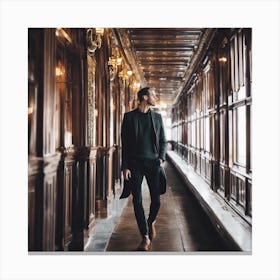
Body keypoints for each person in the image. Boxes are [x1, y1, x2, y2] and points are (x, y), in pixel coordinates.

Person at [120, 87, 167, 251]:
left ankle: (150, 221)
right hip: (135, 165)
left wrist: (161, 158)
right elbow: (124, 144)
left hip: (153, 163)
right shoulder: (129, 117)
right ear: (145, 97)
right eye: (153, 95)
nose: (156, 97)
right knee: (137, 200)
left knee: (157, 199)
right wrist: (125, 166)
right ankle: (145, 237)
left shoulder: (157, 118)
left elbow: (163, 141)